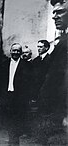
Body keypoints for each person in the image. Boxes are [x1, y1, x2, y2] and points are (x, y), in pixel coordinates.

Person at [35, 0, 68, 145]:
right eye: (54, 13)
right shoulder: (63, 40)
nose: (55, 16)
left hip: (61, 116)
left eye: (60, 12)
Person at [0, 43, 31, 146]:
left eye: (18, 50)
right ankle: (12, 142)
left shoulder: (26, 65)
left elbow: (29, 83)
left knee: (16, 123)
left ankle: (13, 143)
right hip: (7, 97)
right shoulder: (4, 64)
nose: (16, 52)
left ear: (21, 52)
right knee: (8, 123)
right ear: (10, 51)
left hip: (19, 98)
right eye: (14, 50)